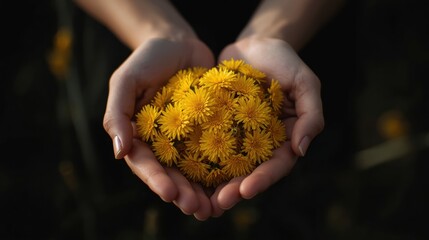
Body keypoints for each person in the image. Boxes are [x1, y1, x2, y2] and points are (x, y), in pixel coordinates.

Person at [73, 0, 344, 221]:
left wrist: (272, 34)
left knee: (306, 204)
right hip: (126, 20)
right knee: (114, 205)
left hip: (303, 24)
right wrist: (158, 30)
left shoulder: (261, 101)